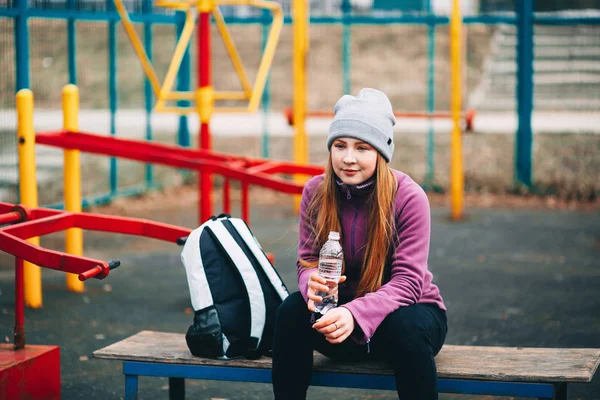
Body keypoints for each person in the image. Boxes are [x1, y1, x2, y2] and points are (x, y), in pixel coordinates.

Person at [271, 88, 448, 400]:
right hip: (339, 323)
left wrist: (355, 313)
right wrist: (311, 284)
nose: (348, 158)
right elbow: (308, 261)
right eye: (340, 146)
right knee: (290, 310)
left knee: (405, 325)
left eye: (362, 148)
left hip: (405, 320)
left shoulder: (409, 197)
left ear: (381, 152)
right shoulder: (315, 192)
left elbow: (408, 283)